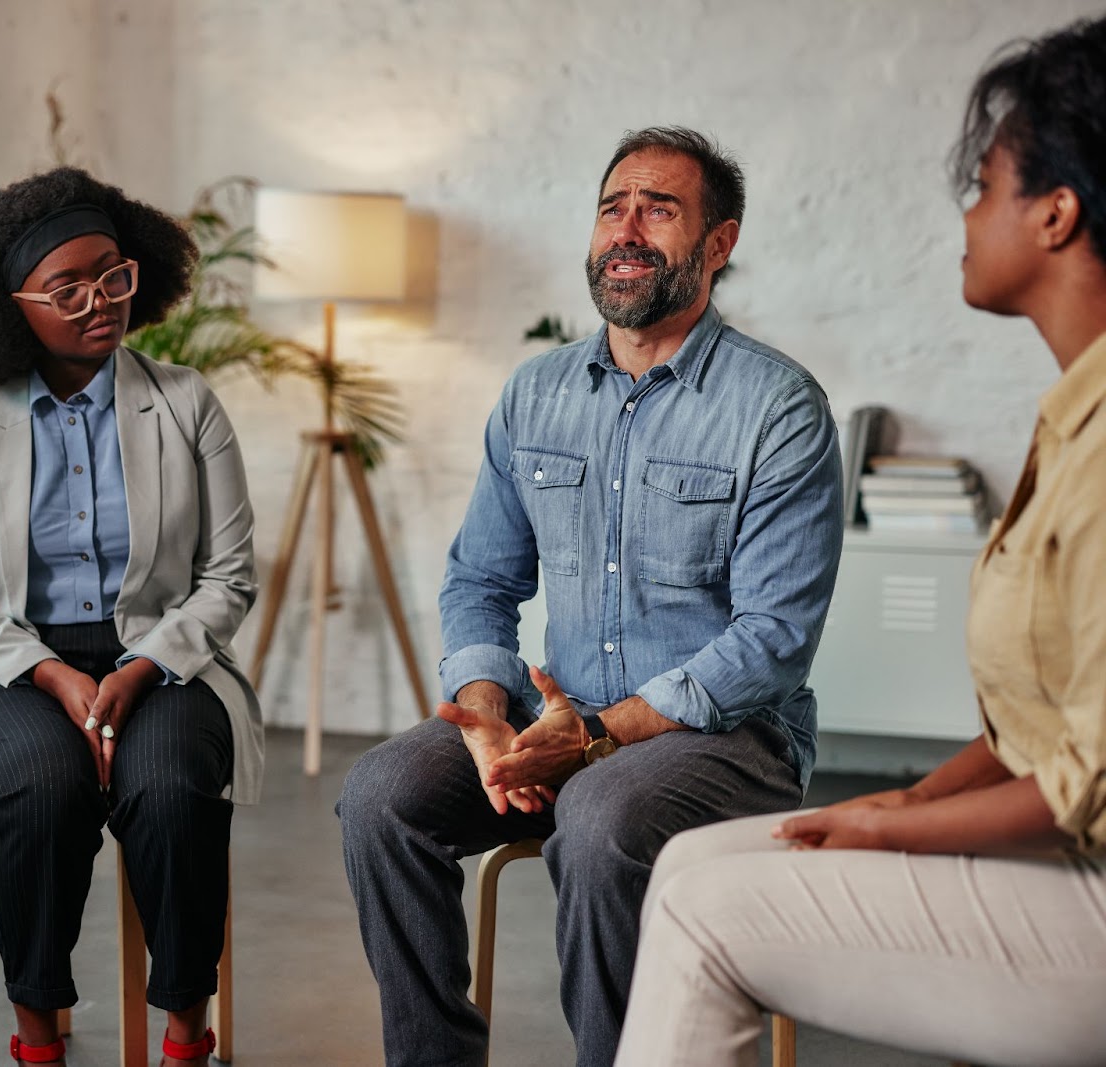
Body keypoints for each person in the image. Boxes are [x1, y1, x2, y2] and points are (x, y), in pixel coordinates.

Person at [614, 18, 1106, 1067]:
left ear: (1056, 214)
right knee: (689, 867)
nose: (964, 215)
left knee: (700, 901)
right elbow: (1042, 735)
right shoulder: (1070, 417)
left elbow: (1085, 777)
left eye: (982, 185)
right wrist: (912, 794)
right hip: (1067, 848)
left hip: (1090, 883)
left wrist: (884, 828)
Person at [338, 126, 846, 1066]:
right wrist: (488, 715)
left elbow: (775, 636)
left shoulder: (779, 408)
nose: (628, 229)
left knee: (601, 816)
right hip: (552, 714)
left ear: (718, 244)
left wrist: (603, 735)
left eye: (660, 209)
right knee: (379, 796)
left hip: (728, 738)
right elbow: (481, 578)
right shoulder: (535, 394)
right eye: (613, 207)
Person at [0, 167, 262, 1067]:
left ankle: (186, 1031)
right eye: (67, 288)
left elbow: (228, 577)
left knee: (173, 782)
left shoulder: (186, 403)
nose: (99, 302)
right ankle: (38, 1037)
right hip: (2, 663)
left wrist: (139, 669)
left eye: (112, 274)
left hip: (163, 655)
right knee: (38, 784)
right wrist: (49, 673)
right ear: (9, 303)